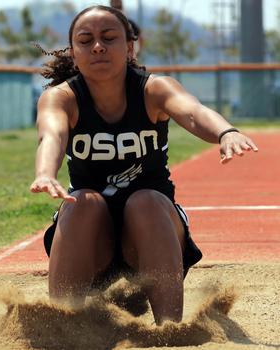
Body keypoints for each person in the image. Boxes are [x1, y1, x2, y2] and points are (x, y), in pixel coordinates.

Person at [30, 5, 258, 325]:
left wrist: (225, 131)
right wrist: (45, 173)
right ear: (74, 52)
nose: (98, 46)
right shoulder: (61, 98)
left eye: (109, 38)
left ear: (129, 46)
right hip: (92, 242)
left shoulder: (154, 89)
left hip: (153, 237)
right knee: (82, 202)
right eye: (86, 40)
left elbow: (192, 112)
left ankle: (169, 332)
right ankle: (62, 329)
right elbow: (51, 136)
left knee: (146, 201)